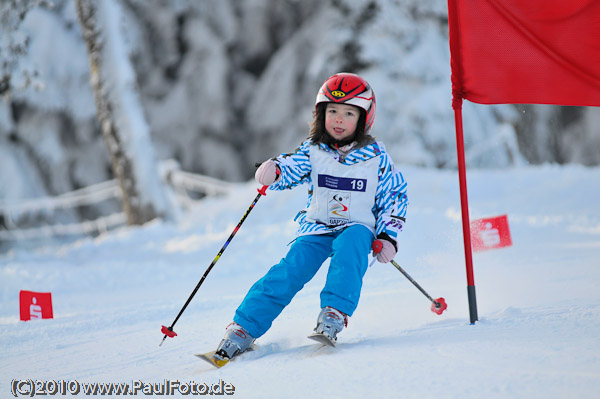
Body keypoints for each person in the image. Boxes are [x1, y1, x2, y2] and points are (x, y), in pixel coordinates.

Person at [214, 72, 408, 359]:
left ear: (364, 118)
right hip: (317, 226)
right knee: (290, 269)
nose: (338, 119)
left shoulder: (376, 158)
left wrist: (388, 236)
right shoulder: (313, 151)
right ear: (321, 114)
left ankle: (333, 312)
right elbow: (292, 166)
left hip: (357, 226)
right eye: (332, 111)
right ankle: (244, 327)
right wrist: (274, 170)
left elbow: (394, 196)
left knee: (350, 248)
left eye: (348, 113)